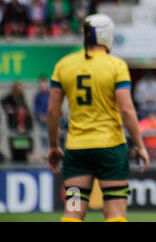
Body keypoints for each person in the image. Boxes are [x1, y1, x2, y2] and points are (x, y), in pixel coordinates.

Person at [47, 14, 149, 222]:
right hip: (110, 150)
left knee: (73, 212)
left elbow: (52, 111)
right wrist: (139, 145)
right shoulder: (116, 66)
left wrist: (52, 146)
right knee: (115, 214)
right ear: (106, 37)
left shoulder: (64, 65)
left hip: (77, 152)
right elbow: (127, 110)